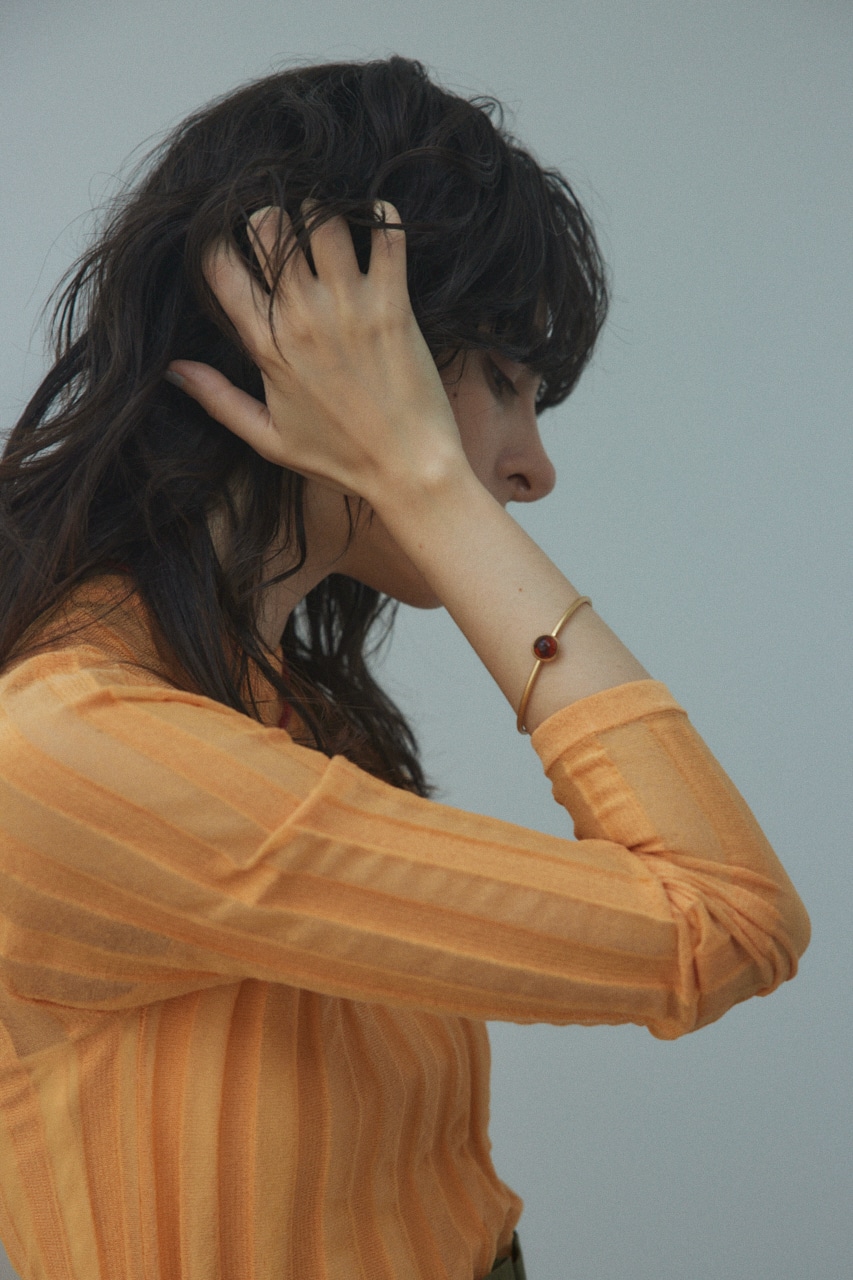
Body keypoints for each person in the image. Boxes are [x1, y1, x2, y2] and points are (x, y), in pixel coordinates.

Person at [0, 56, 809, 1280]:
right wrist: (426, 480)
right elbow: (725, 917)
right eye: (503, 382)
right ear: (341, 358)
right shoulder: (82, 742)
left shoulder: (263, 697)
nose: (532, 465)